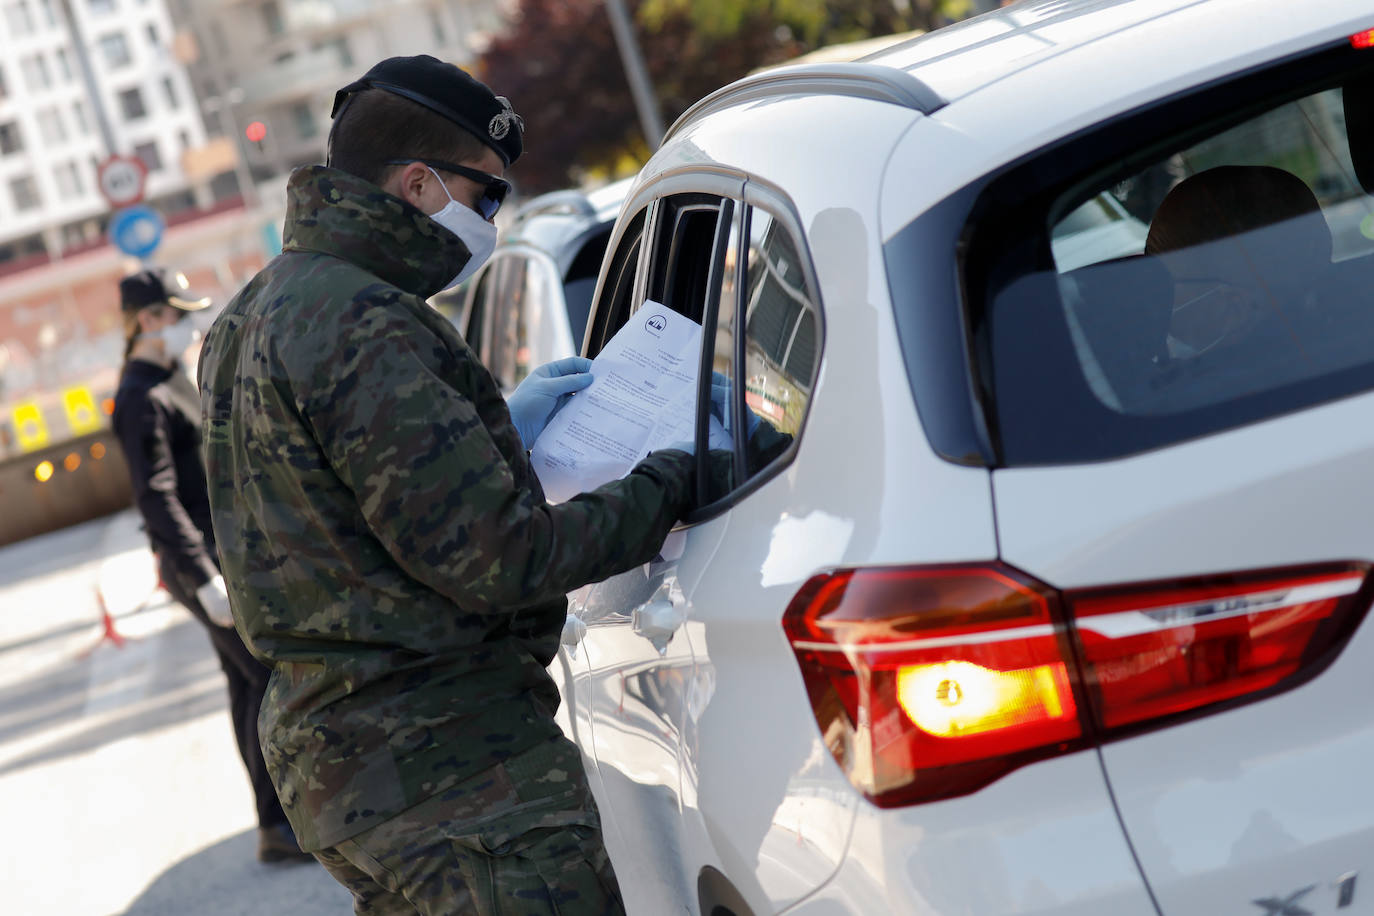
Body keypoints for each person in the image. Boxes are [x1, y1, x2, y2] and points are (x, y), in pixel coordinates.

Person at [197, 55, 720, 914]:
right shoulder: (366, 322)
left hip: (348, 774)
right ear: (417, 183)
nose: (492, 222)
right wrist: (672, 476)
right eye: (487, 197)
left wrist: (493, 440)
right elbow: (503, 559)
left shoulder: (253, 315)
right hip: (456, 776)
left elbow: (319, 524)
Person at [110, 268, 313, 865]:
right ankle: (280, 824)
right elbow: (156, 496)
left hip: (222, 557)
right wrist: (204, 579)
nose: (189, 324)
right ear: (148, 320)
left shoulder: (169, 378)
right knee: (264, 683)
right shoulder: (139, 396)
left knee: (246, 684)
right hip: (202, 566)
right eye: (178, 314)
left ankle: (276, 824)